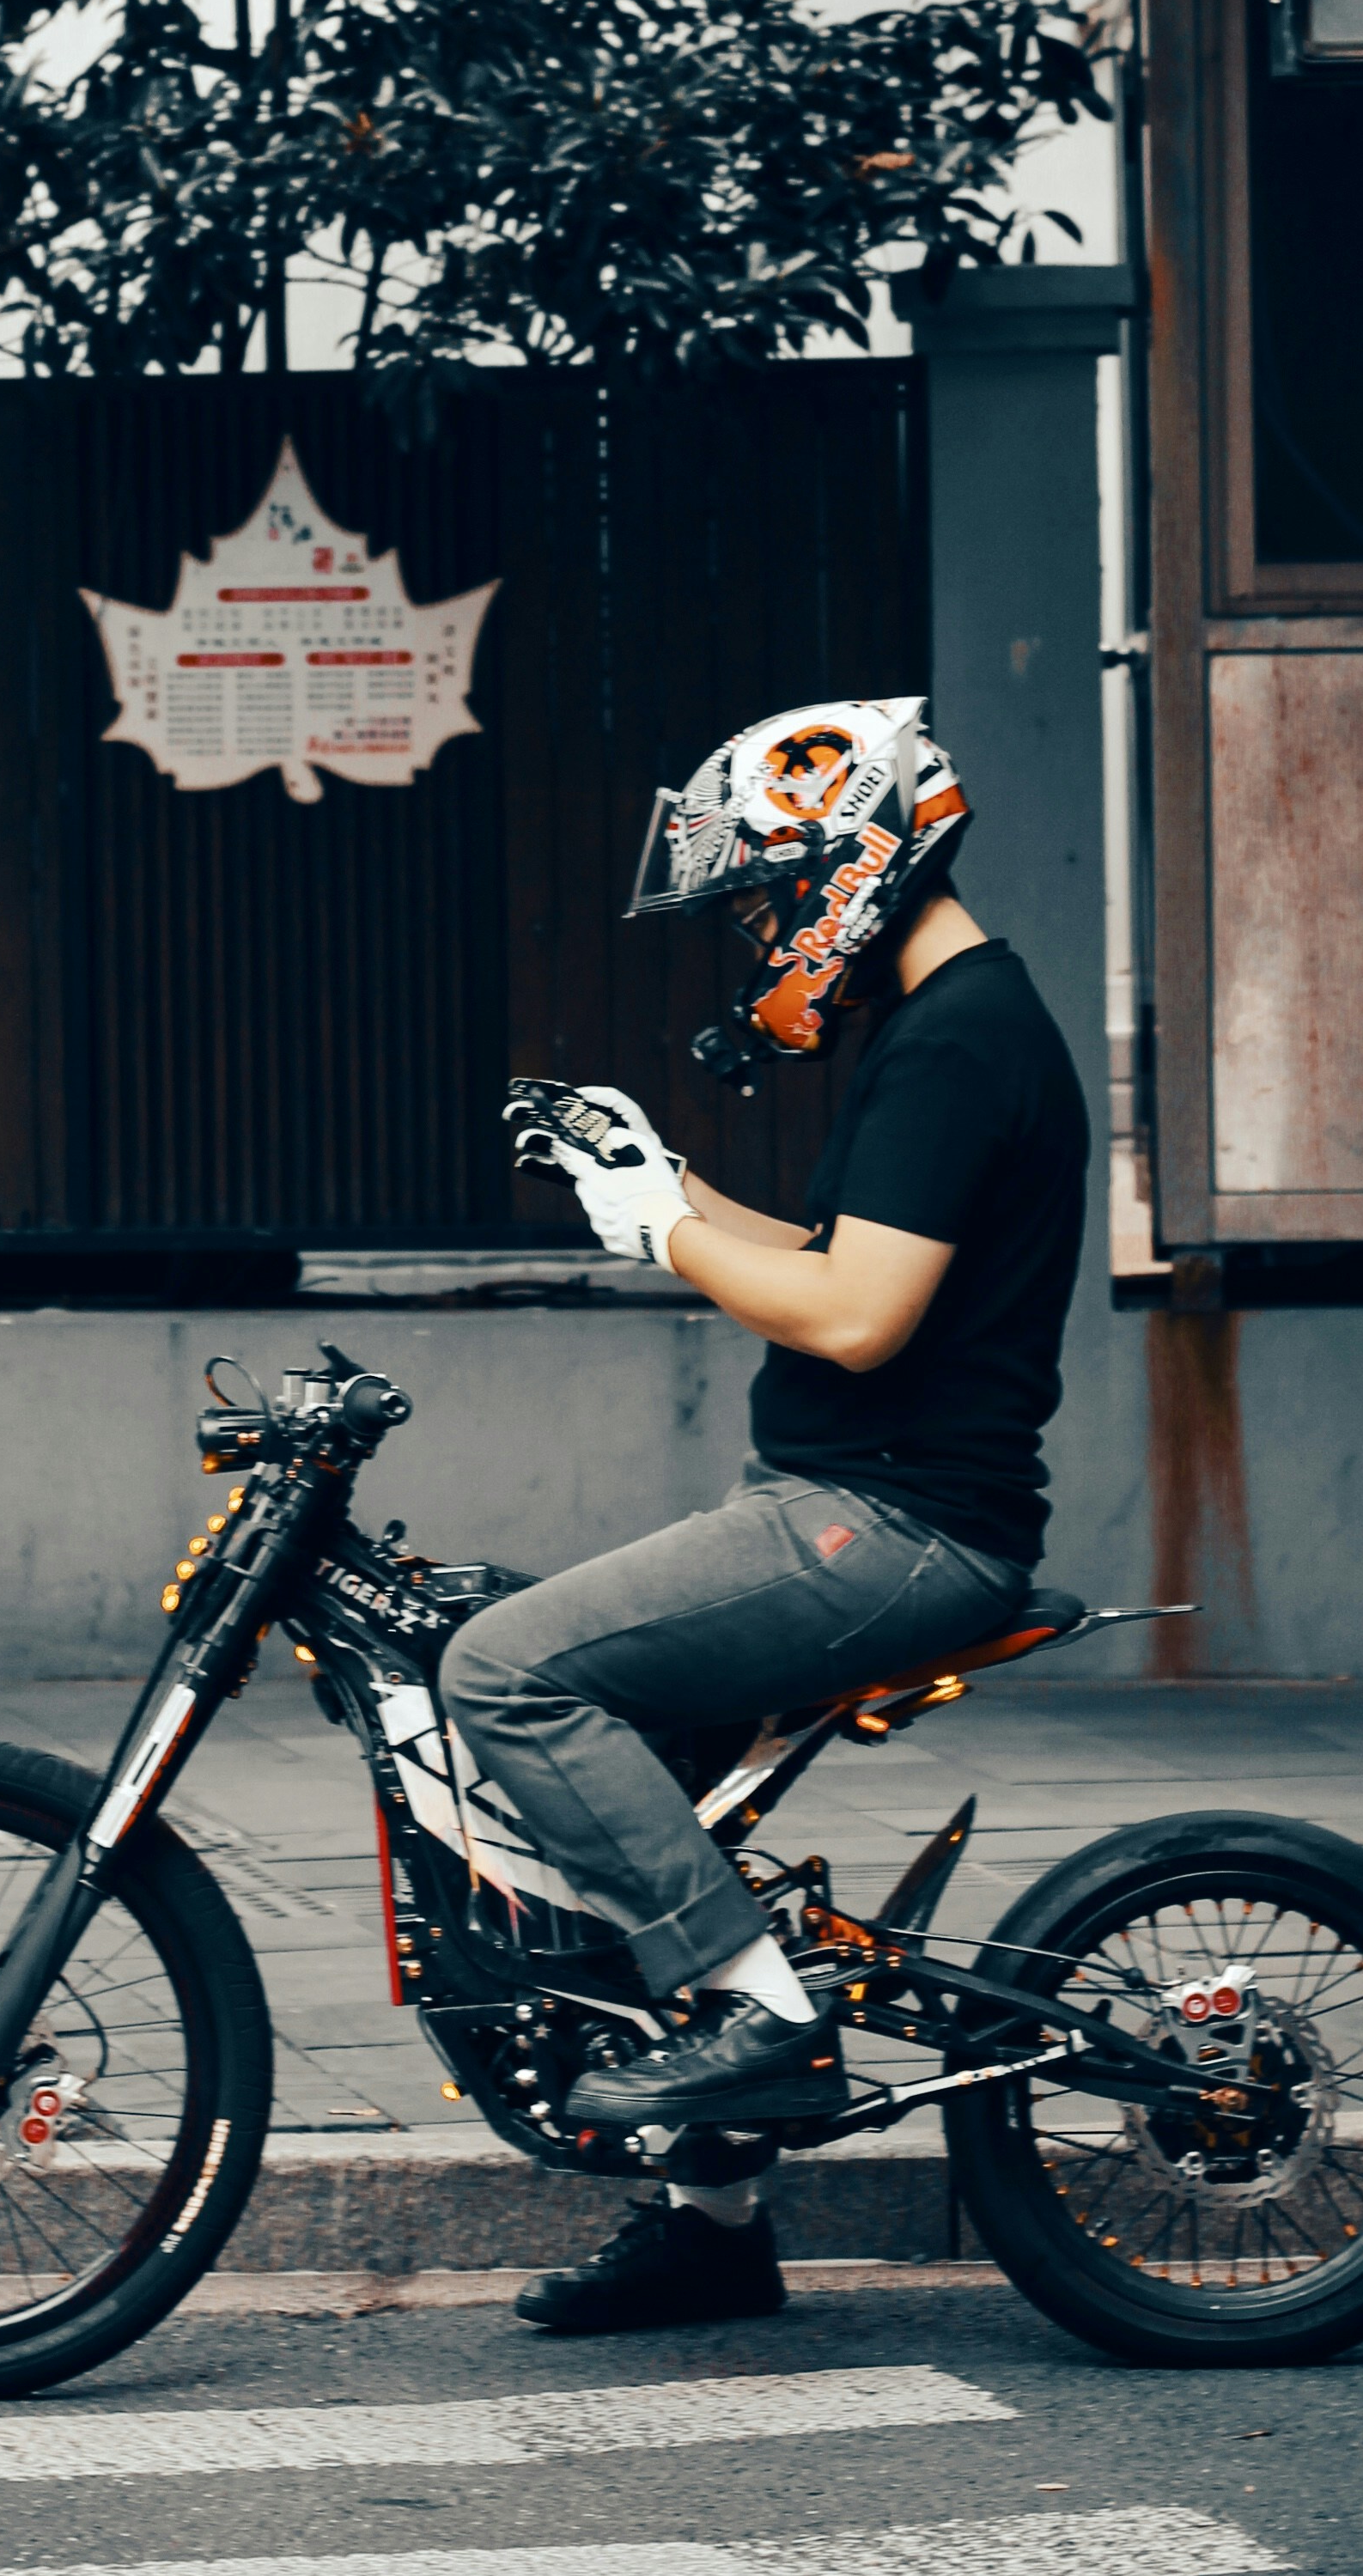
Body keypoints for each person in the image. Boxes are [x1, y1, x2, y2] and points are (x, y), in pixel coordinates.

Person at [439, 697, 1091, 2335]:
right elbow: (832, 1247)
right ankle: (715, 2231)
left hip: (888, 1526)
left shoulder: (960, 1040)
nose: (756, 939)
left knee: (509, 1673)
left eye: (760, 901)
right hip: (845, 1506)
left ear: (848, 870)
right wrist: (658, 1171)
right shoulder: (950, 1028)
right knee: (646, 1797)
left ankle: (758, 2008)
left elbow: (857, 1316)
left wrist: (665, 1235)